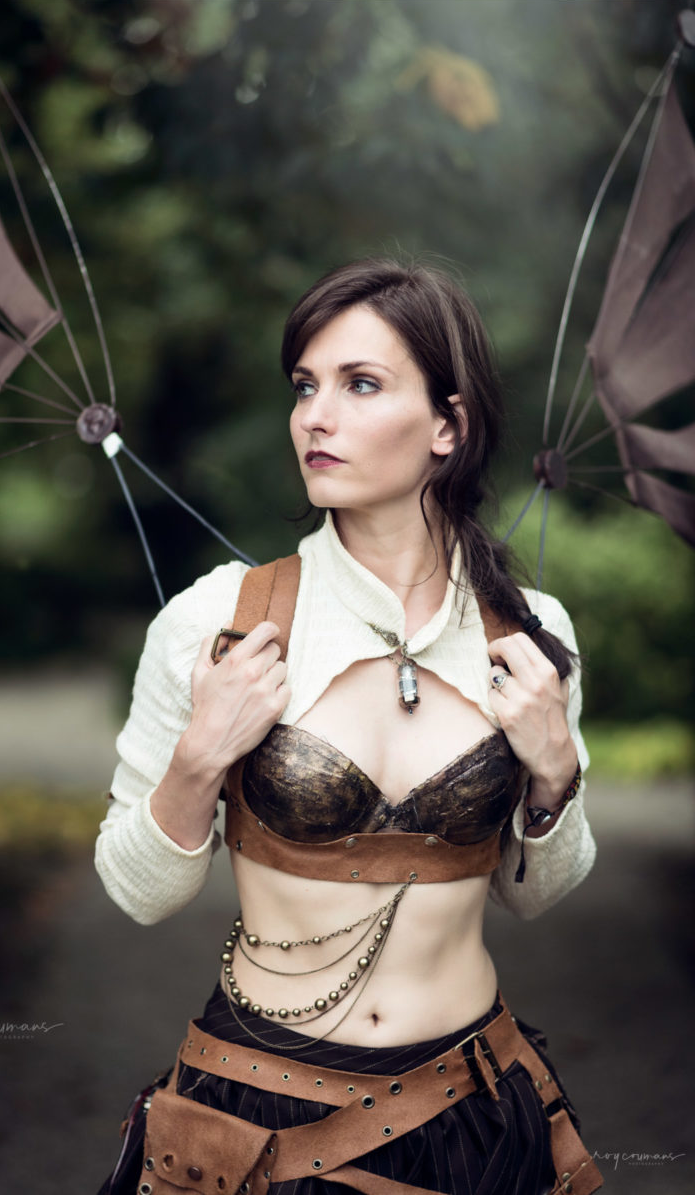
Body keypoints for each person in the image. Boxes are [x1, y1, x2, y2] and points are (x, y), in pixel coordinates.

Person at [95, 259, 601, 1195]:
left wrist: (554, 774)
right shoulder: (218, 623)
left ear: (448, 424)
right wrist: (200, 757)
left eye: (360, 384)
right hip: (257, 1113)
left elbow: (534, 894)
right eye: (304, 386)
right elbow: (137, 891)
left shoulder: (528, 633)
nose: (314, 418)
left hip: (472, 1113)